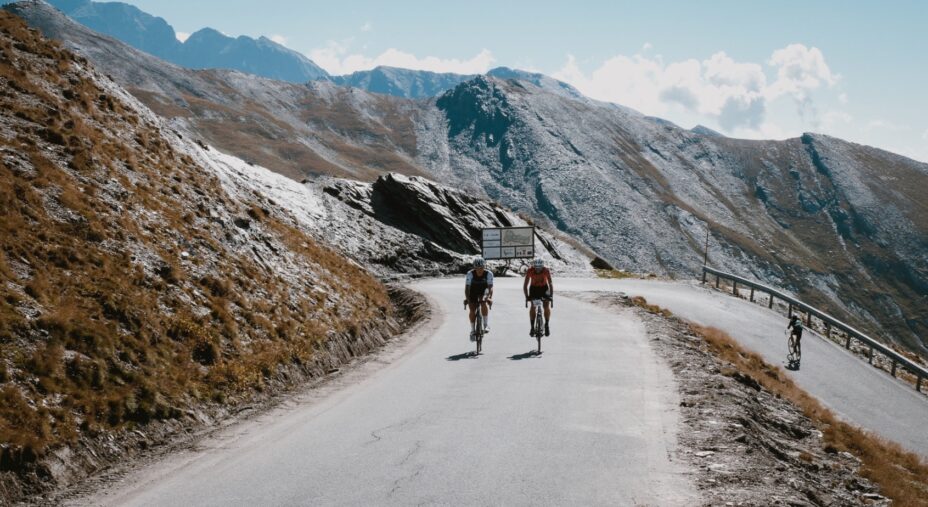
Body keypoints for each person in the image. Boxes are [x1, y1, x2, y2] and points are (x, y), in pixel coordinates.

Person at [465, 257, 493, 340]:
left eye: (481, 268)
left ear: (484, 267)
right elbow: (467, 288)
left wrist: (489, 297)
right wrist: (468, 299)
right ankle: (473, 330)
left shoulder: (489, 273)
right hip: (473, 291)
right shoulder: (470, 274)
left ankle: (485, 324)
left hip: (484, 291)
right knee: (472, 310)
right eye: (477, 268)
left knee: (483, 302)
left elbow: (490, 287)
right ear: (474, 267)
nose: (479, 270)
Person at [523, 258, 553, 337]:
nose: (538, 269)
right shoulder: (530, 271)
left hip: (544, 288)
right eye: (536, 268)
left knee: (546, 306)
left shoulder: (546, 270)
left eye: (540, 268)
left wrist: (551, 295)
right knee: (533, 307)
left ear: (542, 267)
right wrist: (527, 297)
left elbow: (550, 283)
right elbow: (525, 285)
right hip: (534, 289)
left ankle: (546, 324)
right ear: (534, 267)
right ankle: (532, 327)